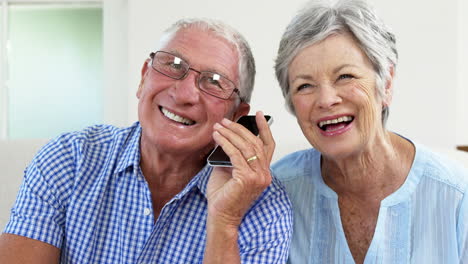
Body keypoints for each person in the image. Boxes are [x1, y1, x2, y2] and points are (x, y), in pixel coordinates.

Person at [0, 18, 292, 263]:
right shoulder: (68, 159)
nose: (185, 94)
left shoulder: (264, 205)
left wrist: (225, 221)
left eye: (214, 81)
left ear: (237, 115)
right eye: (173, 64)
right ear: (143, 79)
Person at [271, 0, 468, 263]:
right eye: (305, 85)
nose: (326, 99)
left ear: (385, 84)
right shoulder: (276, 190)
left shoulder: (456, 196)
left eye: (345, 76)